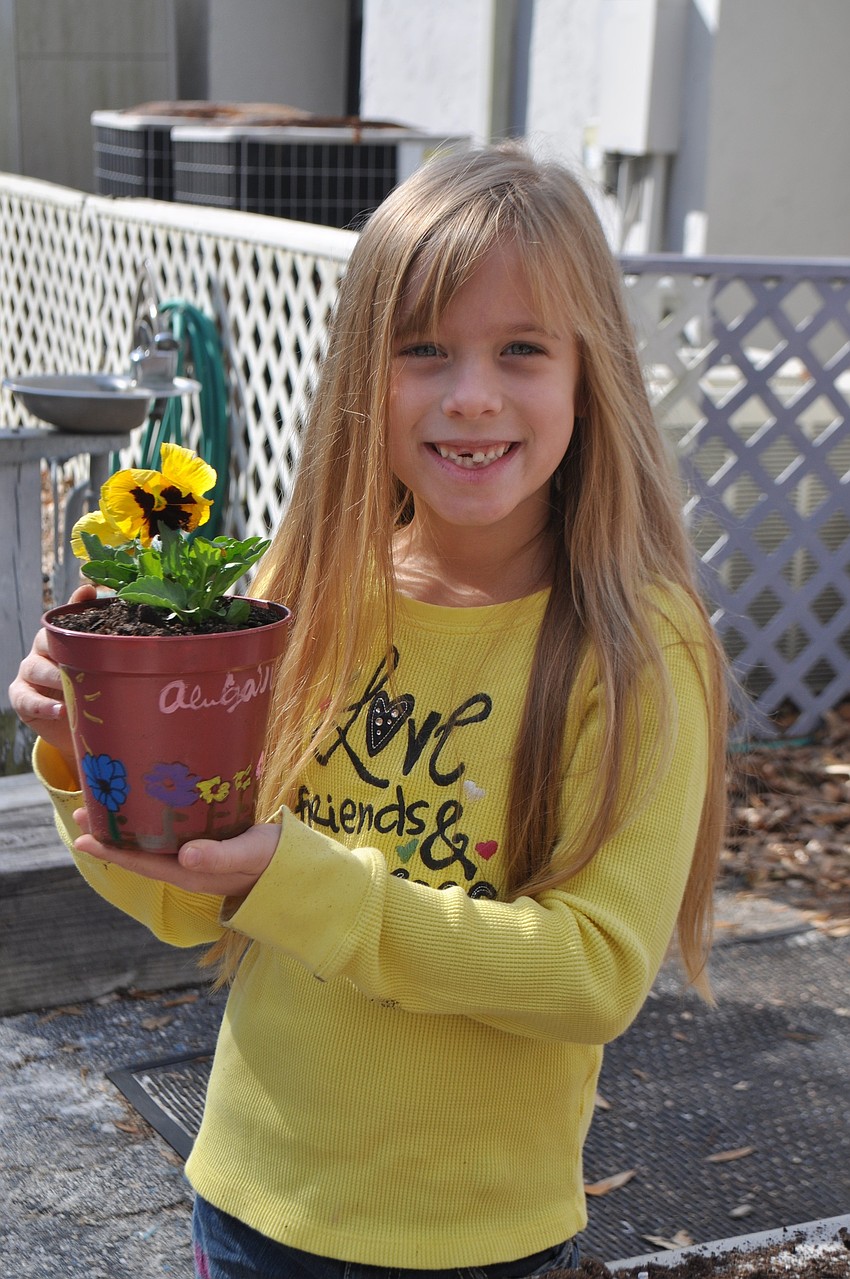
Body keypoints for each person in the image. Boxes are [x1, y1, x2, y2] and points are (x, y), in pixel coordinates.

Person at [10, 143, 728, 1279]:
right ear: (362, 372)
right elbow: (188, 909)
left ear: (592, 374)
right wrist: (81, 757)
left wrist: (297, 881)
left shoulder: (634, 645)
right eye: (424, 350)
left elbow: (594, 973)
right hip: (251, 1205)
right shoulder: (307, 605)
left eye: (522, 349)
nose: (472, 393)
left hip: (478, 1241)